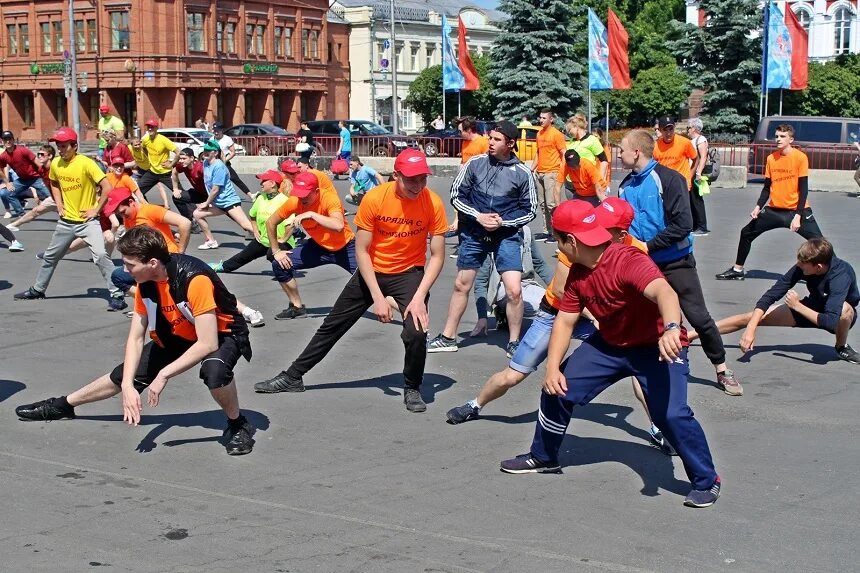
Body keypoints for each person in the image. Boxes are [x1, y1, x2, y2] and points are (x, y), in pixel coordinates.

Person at [498, 200, 722, 508]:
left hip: (657, 345)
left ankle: (707, 480)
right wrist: (552, 368)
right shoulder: (578, 273)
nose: (558, 246)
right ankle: (544, 456)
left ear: (571, 242)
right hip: (611, 344)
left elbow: (664, 292)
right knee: (556, 389)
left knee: (670, 414)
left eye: (558, 239)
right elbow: (565, 320)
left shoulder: (628, 260)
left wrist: (671, 328)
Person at [14, 226, 256, 456]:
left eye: (130, 265)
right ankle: (62, 406)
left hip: (222, 332)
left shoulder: (194, 279)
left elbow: (207, 343)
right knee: (123, 376)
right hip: (179, 332)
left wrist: (163, 375)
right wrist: (129, 385)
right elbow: (135, 337)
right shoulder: (146, 282)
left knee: (214, 371)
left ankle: (238, 424)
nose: (125, 270)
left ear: (152, 263)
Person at [252, 149, 448, 413]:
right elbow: (362, 251)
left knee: (416, 332)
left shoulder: (432, 202)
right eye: (411, 179)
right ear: (396, 175)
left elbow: (437, 256)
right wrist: (377, 297)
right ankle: (293, 377)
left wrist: (419, 297)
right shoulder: (376, 199)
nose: (418, 185)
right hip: (372, 269)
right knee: (333, 325)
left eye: (422, 178)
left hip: (410, 274)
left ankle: (412, 386)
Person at [619, 129, 742, 396]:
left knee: (699, 317)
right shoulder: (625, 186)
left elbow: (683, 225)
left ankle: (722, 368)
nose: (619, 153)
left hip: (676, 262)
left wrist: (647, 245)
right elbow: (623, 226)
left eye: (622, 149)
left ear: (636, 152)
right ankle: (649, 371)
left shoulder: (670, 180)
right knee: (643, 322)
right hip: (643, 266)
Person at [428, 120, 537, 357]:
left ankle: (514, 342)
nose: (491, 143)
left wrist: (502, 222)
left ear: (510, 143)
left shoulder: (522, 173)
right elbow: (457, 195)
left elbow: (530, 210)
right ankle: (448, 337)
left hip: (506, 236)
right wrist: (479, 216)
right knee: (461, 284)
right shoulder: (474, 164)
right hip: (474, 233)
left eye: (497, 140)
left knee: (514, 291)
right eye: (490, 138)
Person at [13, 127, 126, 311]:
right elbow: (55, 182)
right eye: (58, 145)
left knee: (100, 256)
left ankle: (117, 294)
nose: (60, 149)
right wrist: (59, 204)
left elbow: (106, 186)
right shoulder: (56, 163)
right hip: (66, 222)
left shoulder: (86, 163)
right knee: (50, 257)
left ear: (74, 146)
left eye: (64, 146)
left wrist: (96, 210)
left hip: (88, 222)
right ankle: (38, 290)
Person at [696, 238, 859, 364]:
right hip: (811, 306)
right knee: (750, 317)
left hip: (834, 315)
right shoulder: (804, 265)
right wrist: (751, 329)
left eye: (803, 265)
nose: (799, 267)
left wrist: (797, 306)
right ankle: (689, 336)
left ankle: (841, 346)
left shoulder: (840, 276)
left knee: (846, 310)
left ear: (819, 267)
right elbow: (771, 294)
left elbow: (830, 322)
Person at [716, 123, 823, 281]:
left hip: (797, 210)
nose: (778, 139)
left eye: (782, 136)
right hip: (775, 210)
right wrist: (758, 206)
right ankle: (738, 270)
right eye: (777, 136)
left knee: (821, 244)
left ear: (791, 139)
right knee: (746, 232)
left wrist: (798, 216)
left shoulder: (800, 158)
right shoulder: (771, 158)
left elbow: (804, 189)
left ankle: (832, 274)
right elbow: (767, 188)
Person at [263, 171, 357, 319]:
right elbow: (271, 222)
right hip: (318, 247)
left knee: (375, 281)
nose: (302, 198)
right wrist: (276, 251)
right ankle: (297, 307)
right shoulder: (295, 201)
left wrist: (312, 214)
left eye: (306, 194)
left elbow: (338, 225)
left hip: (346, 247)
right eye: (299, 194)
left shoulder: (328, 198)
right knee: (279, 264)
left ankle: (404, 310)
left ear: (316, 191)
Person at [209, 169, 295, 275]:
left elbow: (291, 225)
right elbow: (252, 215)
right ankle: (222, 267)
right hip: (264, 239)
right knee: (243, 256)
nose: (260, 184)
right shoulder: (261, 198)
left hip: (281, 241)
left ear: (272, 183)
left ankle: (289, 266)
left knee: (271, 254)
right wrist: (255, 230)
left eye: (263, 181)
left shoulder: (284, 201)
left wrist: (283, 240)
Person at [194, 140, 255, 250]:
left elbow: (215, 189)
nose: (205, 152)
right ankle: (211, 241)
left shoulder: (219, 167)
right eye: (204, 150)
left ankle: (270, 242)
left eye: (208, 151)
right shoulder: (206, 163)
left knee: (246, 226)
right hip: (218, 204)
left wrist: (206, 203)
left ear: (215, 153)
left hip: (229, 202)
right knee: (197, 214)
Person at [531, 109, 566, 241]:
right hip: (540, 172)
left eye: (544, 118)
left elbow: (564, 153)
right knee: (543, 203)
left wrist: (561, 171)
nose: (541, 120)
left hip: (552, 173)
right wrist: (532, 169)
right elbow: (538, 153)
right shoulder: (539, 134)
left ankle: (556, 233)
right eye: (540, 118)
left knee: (552, 204)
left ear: (551, 119)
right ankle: (547, 231)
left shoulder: (556, 134)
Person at [0, 130, 52, 218]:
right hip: (23, 180)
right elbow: (0, 169)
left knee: (51, 196)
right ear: (2, 141)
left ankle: (64, 214)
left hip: (36, 178)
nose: (8, 141)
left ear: (13, 140)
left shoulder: (22, 150)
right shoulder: (4, 156)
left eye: (9, 139)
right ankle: (22, 214)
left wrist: (45, 176)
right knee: (9, 194)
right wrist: (7, 183)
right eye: (5, 140)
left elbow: (38, 163)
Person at [7, 145, 57, 232]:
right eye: (38, 154)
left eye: (42, 154)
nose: (39, 156)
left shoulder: (56, 168)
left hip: (66, 198)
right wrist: (35, 194)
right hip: (54, 198)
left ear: (50, 156)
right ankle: (13, 225)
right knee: (36, 210)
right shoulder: (41, 170)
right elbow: (34, 183)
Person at [137, 119, 176, 208]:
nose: (150, 129)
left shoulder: (163, 140)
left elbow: (178, 152)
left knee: (179, 194)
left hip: (165, 173)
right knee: (137, 191)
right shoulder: (145, 139)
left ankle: (191, 216)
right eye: (148, 127)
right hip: (152, 172)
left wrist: (171, 164)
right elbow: (143, 149)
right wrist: (148, 161)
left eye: (152, 127)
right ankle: (146, 210)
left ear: (156, 128)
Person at [565, 113, 610, 186]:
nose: (568, 132)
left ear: (576, 127)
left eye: (570, 129)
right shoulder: (572, 141)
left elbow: (604, 160)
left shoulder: (592, 140)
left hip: (586, 183)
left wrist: (600, 180)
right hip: (570, 183)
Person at [212, 122, 254, 199]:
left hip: (224, 163)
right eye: (214, 130)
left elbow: (233, 152)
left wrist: (225, 160)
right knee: (214, 182)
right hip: (214, 164)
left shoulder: (227, 139)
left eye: (217, 130)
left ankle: (251, 195)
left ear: (222, 130)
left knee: (235, 179)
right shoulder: (211, 139)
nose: (216, 132)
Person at [171, 147, 207, 227]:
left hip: (212, 195)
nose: (181, 161)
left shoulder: (200, 168)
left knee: (230, 211)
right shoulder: (182, 166)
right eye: (180, 159)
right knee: (177, 197)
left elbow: (213, 184)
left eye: (184, 158)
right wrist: (175, 189)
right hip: (199, 193)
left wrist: (210, 201)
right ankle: (191, 222)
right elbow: (174, 172)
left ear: (191, 158)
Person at [687, 118, 711, 235]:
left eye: (689, 127)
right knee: (691, 199)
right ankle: (695, 225)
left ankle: (702, 226)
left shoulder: (701, 140)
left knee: (696, 199)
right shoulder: (693, 140)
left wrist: (698, 173)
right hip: (690, 173)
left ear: (695, 129)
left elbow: (703, 157)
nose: (688, 130)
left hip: (696, 174)